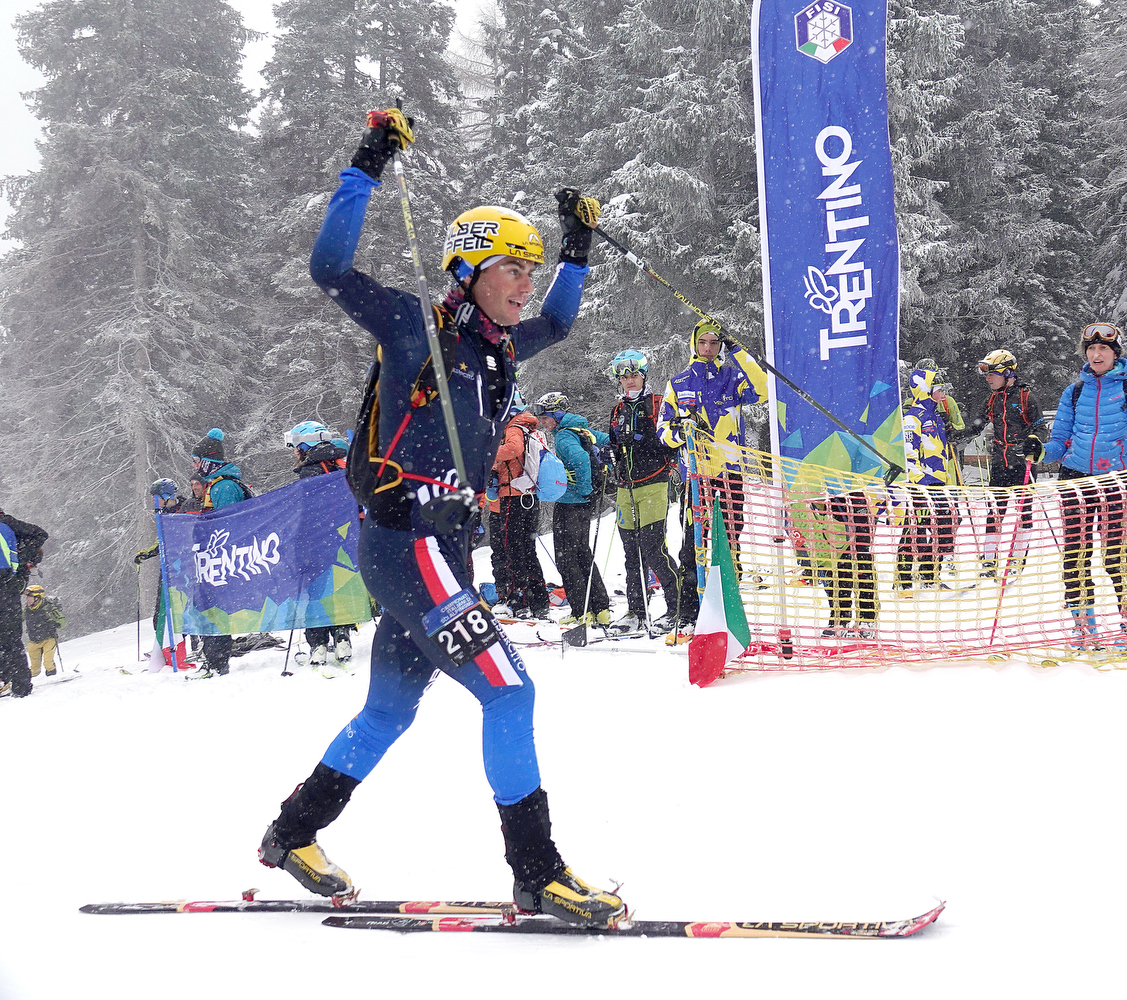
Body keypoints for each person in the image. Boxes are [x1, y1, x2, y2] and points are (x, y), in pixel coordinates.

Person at [258, 108, 623, 927]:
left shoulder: (498, 346)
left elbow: (559, 322)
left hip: (440, 548)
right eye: (513, 269)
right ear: (468, 270)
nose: (525, 285)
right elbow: (327, 268)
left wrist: (577, 246)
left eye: (531, 269)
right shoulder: (413, 325)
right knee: (509, 693)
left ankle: (292, 833)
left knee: (388, 710)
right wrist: (367, 162)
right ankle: (538, 871)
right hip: (406, 539)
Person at [657, 319, 768, 632]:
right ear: (694, 344)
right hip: (696, 477)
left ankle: (726, 610)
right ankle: (690, 613)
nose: (708, 349)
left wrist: (737, 350)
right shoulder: (678, 382)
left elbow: (762, 390)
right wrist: (681, 431)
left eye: (715, 343)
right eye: (703, 342)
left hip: (730, 474)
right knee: (695, 544)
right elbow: (662, 431)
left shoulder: (732, 377)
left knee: (729, 542)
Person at [1038, 322, 1127, 647]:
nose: (1096, 353)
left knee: (1116, 556)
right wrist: (1041, 451)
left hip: (1116, 480)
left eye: (1103, 348)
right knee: (1076, 554)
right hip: (1074, 479)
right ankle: (1083, 625)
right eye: (1091, 348)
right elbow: (1060, 440)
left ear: (1115, 353)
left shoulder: (1126, 389)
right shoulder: (1074, 391)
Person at [606, 349, 679, 634]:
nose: (629, 381)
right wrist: (608, 452)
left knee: (653, 550)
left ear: (643, 375)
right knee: (630, 552)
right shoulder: (618, 409)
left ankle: (677, 606)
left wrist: (641, 439)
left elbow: (669, 442)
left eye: (634, 375)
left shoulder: (657, 404)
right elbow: (615, 442)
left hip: (653, 482)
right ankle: (636, 610)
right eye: (624, 377)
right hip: (626, 487)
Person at [533, 391, 613, 629]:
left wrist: (584, 488)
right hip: (583, 504)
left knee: (566, 558)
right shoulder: (581, 429)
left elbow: (580, 459)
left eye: (546, 417)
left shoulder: (564, 437)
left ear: (557, 414)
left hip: (571, 503)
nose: (543, 422)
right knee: (582, 554)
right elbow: (608, 439)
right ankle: (600, 609)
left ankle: (581, 611)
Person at [286, 420, 358, 664]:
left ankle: (318, 643)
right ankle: (342, 636)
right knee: (339, 587)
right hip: (344, 536)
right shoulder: (342, 464)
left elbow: (306, 512)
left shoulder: (310, 471)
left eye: (296, 445)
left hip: (315, 540)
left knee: (316, 590)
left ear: (306, 444)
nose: (295, 451)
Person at [969, 349, 1047, 576]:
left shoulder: (1026, 397)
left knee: (1024, 513)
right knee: (994, 512)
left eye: (992, 373)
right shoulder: (992, 398)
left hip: (1024, 464)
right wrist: (953, 435)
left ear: (1007, 373)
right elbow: (976, 426)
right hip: (1000, 463)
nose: (987, 378)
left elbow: (1041, 427)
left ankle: (1017, 559)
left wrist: (1034, 442)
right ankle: (989, 561)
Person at [191, 428, 253, 675]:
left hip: (223, 559)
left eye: (197, 460)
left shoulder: (223, 487)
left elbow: (227, 527)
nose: (195, 465)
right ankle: (213, 659)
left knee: (214, 609)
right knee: (210, 608)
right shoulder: (216, 485)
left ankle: (216, 662)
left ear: (208, 462)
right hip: (217, 557)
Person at [895, 366, 959, 591]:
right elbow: (909, 452)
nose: (942, 393)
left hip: (939, 480)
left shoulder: (936, 415)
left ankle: (929, 574)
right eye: (937, 388)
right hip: (921, 483)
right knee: (916, 526)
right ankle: (903, 578)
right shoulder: (913, 416)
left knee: (947, 523)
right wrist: (917, 479)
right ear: (925, 390)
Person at [487, 403, 551, 620]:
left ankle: (518, 600)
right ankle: (538, 600)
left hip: (513, 497)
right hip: (527, 496)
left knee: (513, 550)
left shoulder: (513, 428)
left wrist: (488, 454)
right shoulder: (526, 427)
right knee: (526, 549)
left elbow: (514, 450)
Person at [135, 478, 189, 668]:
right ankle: (168, 650)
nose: (152, 501)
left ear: (166, 497)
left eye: (155, 497)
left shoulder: (183, 511)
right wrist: (146, 553)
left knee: (182, 611)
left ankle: (183, 651)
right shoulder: (164, 514)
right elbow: (162, 542)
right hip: (168, 570)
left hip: (182, 571)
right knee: (161, 614)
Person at [0, 508, 48, 699]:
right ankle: (13, 681)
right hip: (8, 585)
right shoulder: (7, 524)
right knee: (9, 637)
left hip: (6, 586)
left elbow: (40, 534)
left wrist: (21, 565)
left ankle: (18, 684)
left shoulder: (7, 523)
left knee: (9, 637)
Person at [23, 584, 65, 678]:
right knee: (34, 670)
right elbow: (17, 619)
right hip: (33, 641)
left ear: (37, 598)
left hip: (48, 640)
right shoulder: (27, 610)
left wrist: (54, 624)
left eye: (29, 597)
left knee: (48, 663)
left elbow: (62, 621)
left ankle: (53, 676)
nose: (26, 599)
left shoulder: (49, 608)